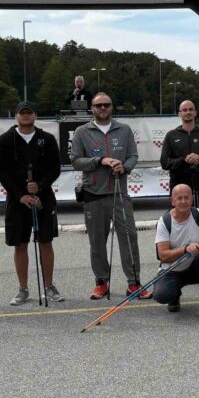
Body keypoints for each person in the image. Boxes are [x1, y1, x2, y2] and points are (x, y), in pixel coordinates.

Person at [71, 92, 150, 300]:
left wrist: (125, 167)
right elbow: (76, 161)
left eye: (106, 104)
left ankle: (134, 282)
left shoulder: (124, 130)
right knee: (97, 242)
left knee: (129, 238)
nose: (103, 108)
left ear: (112, 107)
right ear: (92, 108)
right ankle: (101, 282)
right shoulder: (81, 131)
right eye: (98, 105)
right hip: (93, 194)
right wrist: (100, 161)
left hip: (119, 192)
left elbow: (133, 156)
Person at [0, 101, 64, 305]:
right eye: (22, 113)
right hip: (17, 200)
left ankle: (49, 286)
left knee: (45, 241)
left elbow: (55, 168)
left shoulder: (47, 138)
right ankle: (23, 289)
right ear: (16, 116)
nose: (25, 116)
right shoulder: (5, 140)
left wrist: (39, 187)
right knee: (20, 243)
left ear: (35, 115)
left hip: (43, 198)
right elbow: (2, 172)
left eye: (29, 112)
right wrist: (19, 195)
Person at [152, 184, 199, 322]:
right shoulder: (164, 221)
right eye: (179, 198)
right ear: (172, 201)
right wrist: (185, 249)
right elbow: (163, 256)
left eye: (186, 198)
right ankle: (174, 295)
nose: (183, 201)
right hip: (172, 270)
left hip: (195, 267)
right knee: (161, 295)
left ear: (192, 199)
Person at [160, 100, 199, 213]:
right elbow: (164, 163)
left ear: (195, 113)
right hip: (178, 187)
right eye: (184, 110)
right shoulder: (171, 135)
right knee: (179, 220)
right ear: (179, 114)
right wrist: (184, 160)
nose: (188, 112)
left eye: (191, 109)